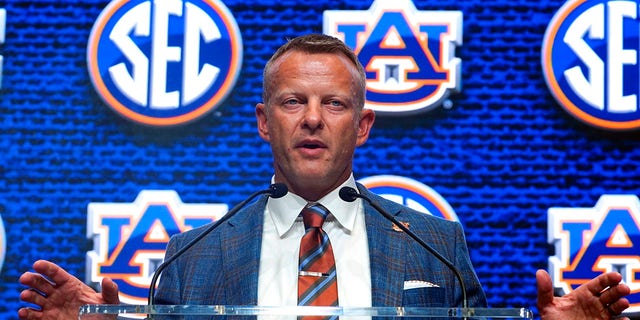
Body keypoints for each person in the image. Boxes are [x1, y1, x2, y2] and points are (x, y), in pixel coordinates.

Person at [18, 34, 631, 319]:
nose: (312, 119)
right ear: (263, 121)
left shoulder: (436, 245)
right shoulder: (190, 257)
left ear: (362, 126)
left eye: (333, 104)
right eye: (292, 103)